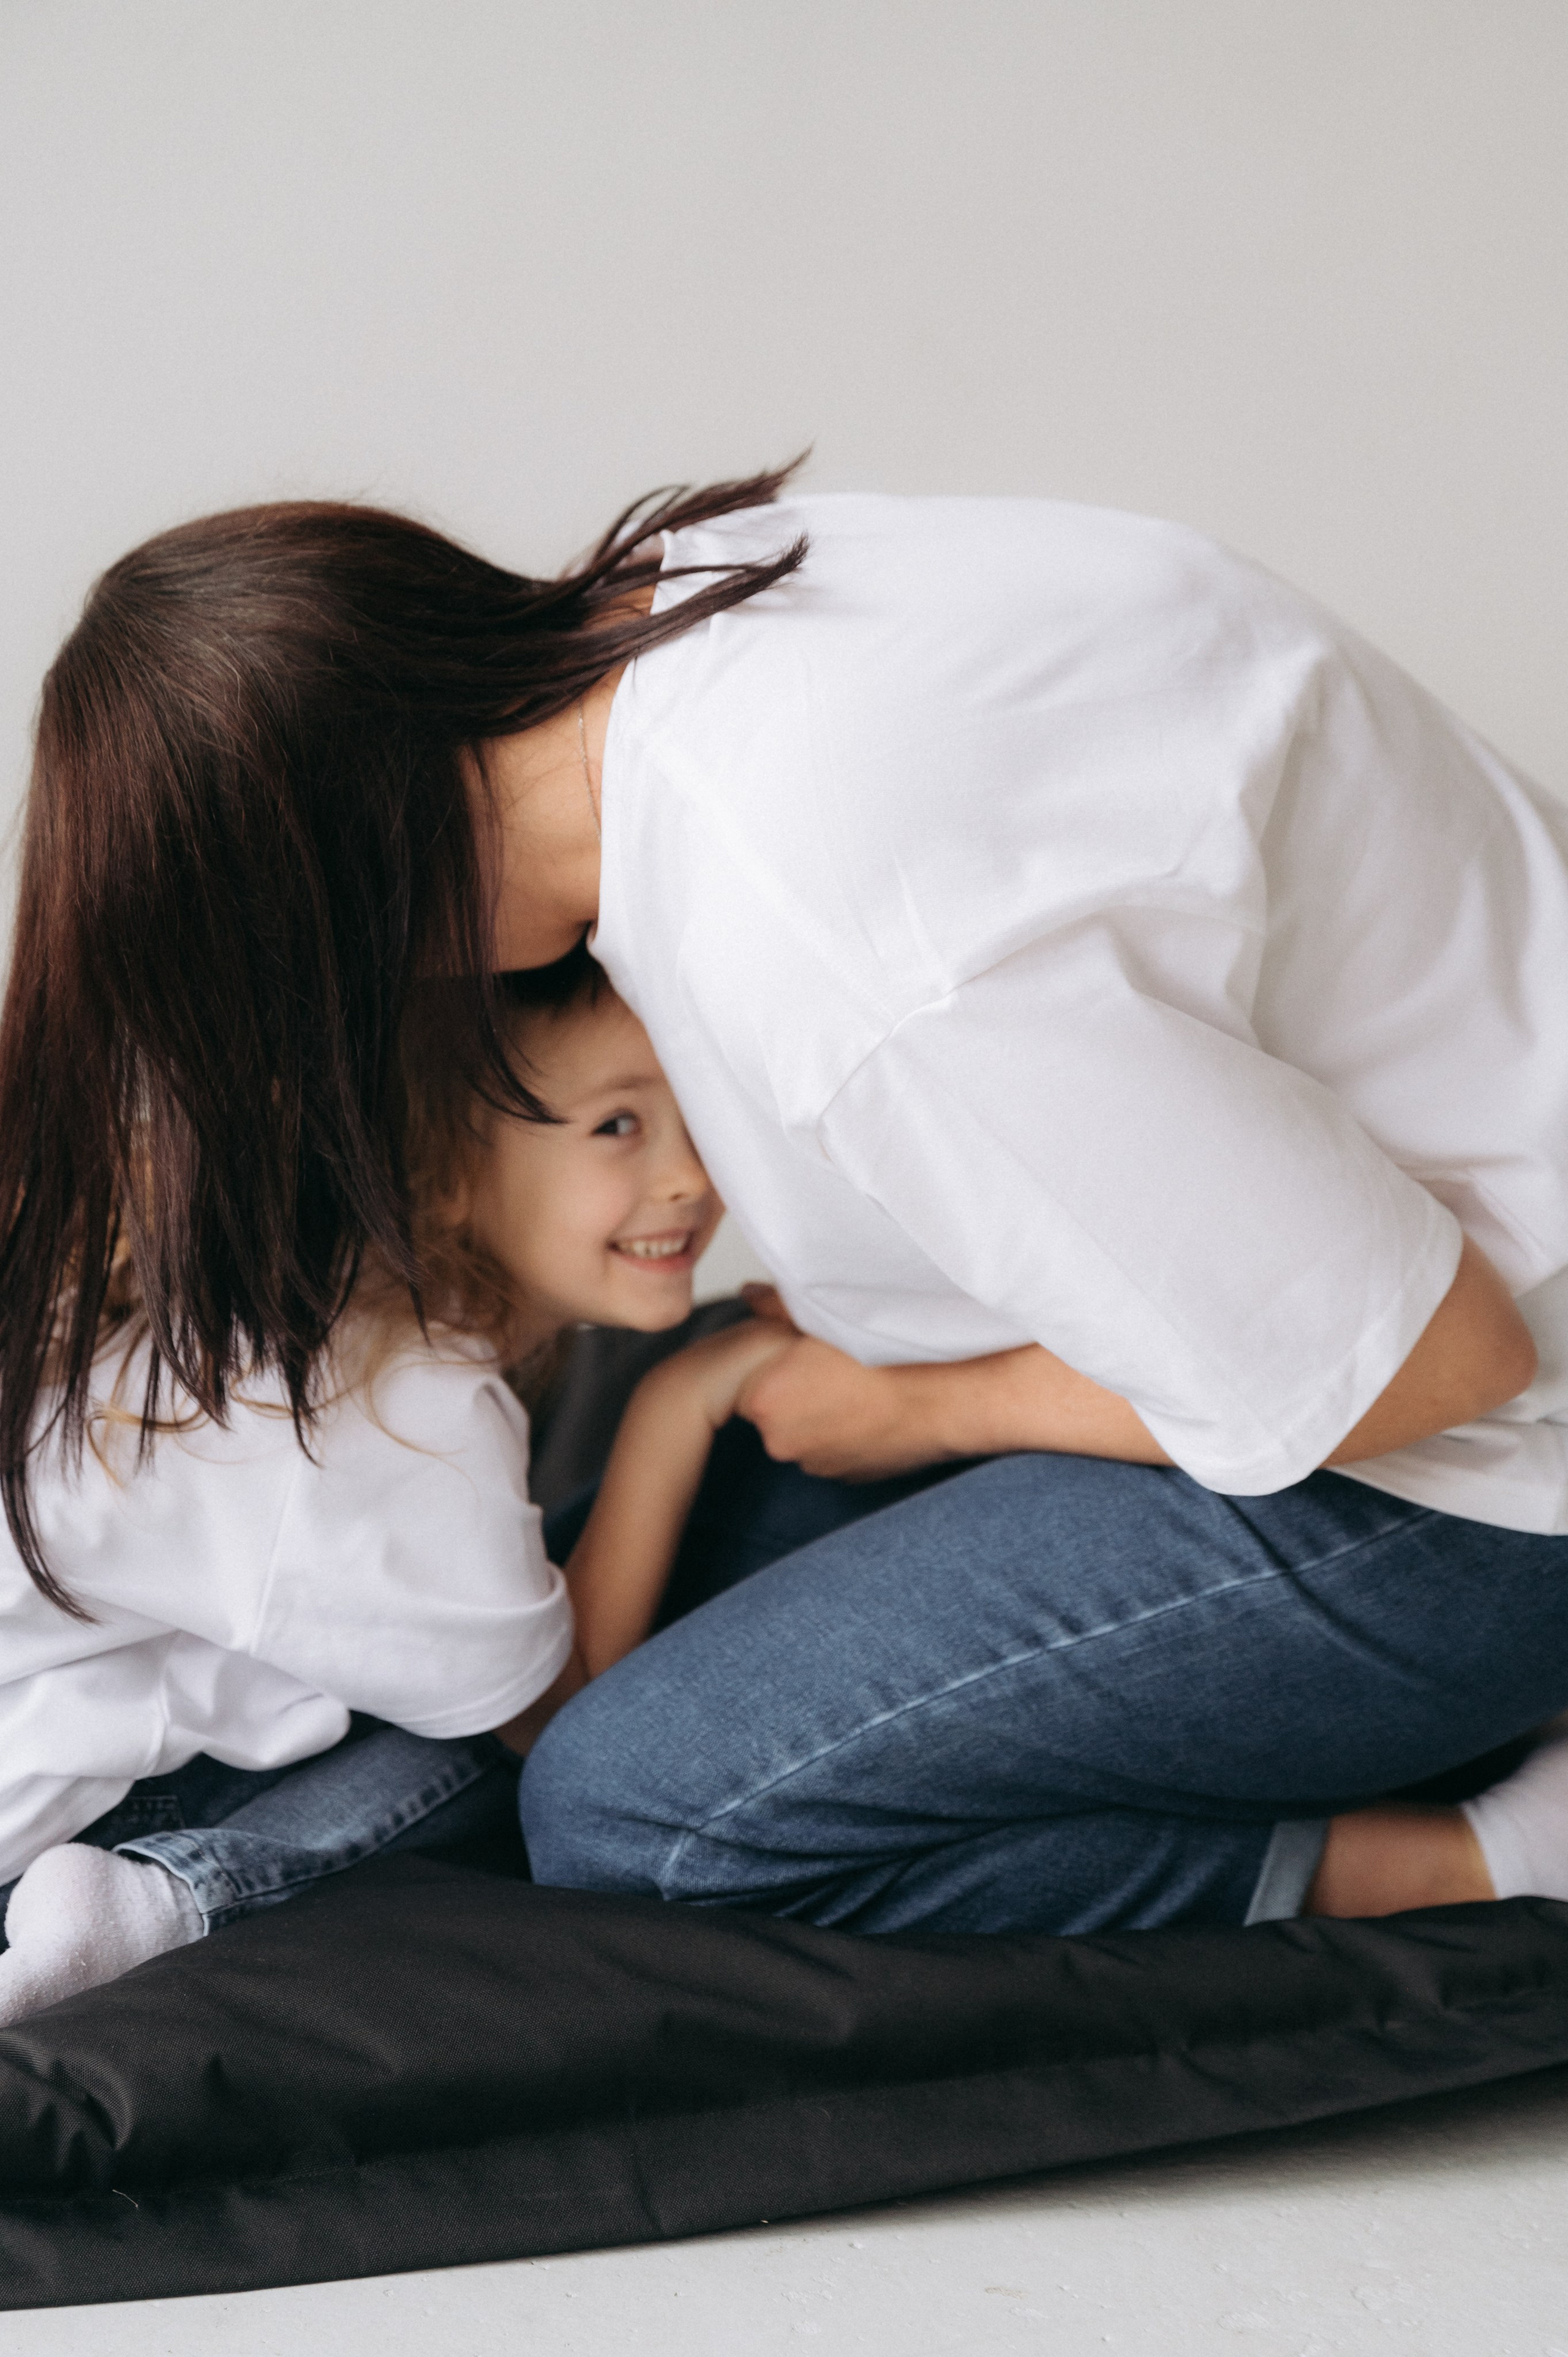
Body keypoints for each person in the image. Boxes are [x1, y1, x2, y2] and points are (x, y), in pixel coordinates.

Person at [6, 462, 1568, 1943]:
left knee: (637, 1811)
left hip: (1485, 1474)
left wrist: (939, 1410)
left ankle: (1485, 1862)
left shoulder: (828, 937)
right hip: (1395, 1260)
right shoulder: (704, 597)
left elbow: (1427, 1363)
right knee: (684, 1528)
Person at [0, 953, 790, 2021]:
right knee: (479, 1758)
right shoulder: (406, 1404)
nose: (692, 1177)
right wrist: (680, 1403)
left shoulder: (324, 1319)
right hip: (36, 1837)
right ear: (449, 1168)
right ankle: (173, 1898)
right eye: (618, 1124)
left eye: (700, 1113)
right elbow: (565, 1718)